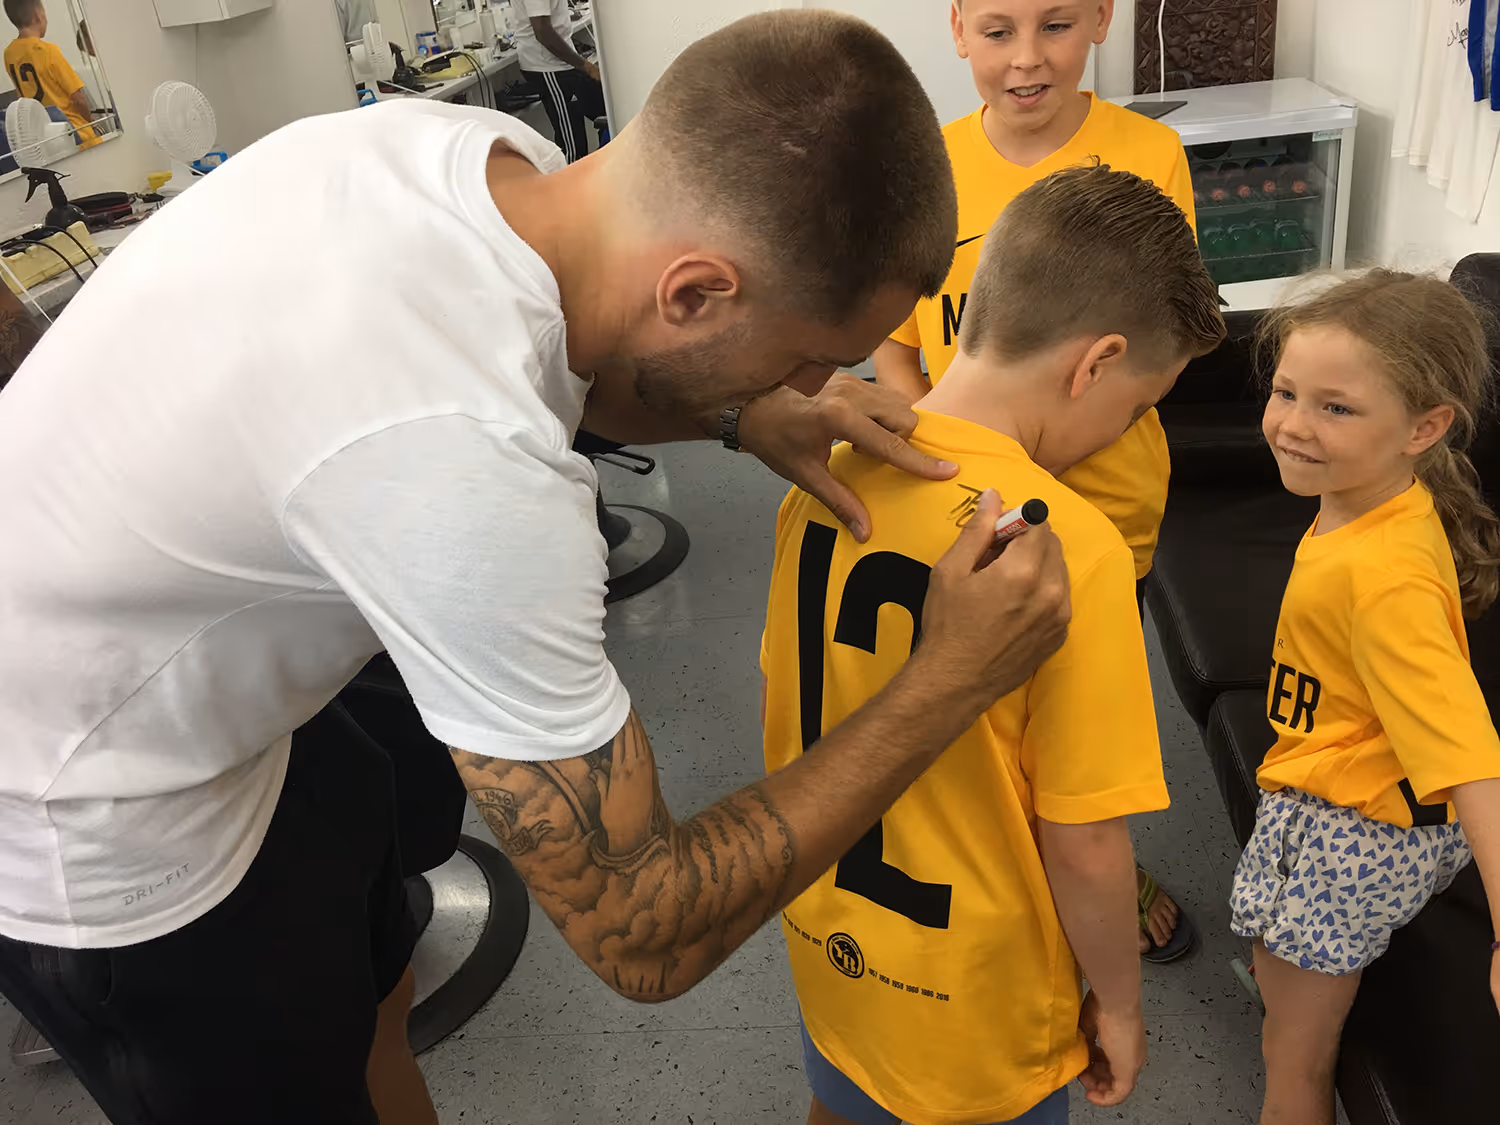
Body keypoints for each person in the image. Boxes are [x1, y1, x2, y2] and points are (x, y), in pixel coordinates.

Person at [0, 11, 1072, 1124]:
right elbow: (642, 932)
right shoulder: (460, 465)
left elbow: (585, 351)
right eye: (809, 357)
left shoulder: (479, 167)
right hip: (95, 817)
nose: (818, 384)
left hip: (244, 704)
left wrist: (747, 410)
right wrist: (950, 677)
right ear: (696, 292)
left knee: (372, 1009)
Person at [761, 165, 1225, 1125]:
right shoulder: (1068, 553)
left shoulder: (824, 471)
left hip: (830, 935)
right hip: (973, 995)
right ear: (1095, 363)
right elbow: (1087, 842)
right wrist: (1123, 998)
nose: (1124, 430)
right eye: (1138, 407)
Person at [875, 0, 1198, 961]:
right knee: (977, 719)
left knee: (1082, 738)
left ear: (1101, 19)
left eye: (1056, 25)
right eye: (999, 29)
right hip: (961, 511)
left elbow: (1161, 348)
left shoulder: (1150, 156)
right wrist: (963, 449)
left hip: (1110, 517)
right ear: (958, 27)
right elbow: (897, 353)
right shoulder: (924, 170)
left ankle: (1096, 869)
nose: (1027, 60)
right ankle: (1012, 874)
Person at [1229, 270, 1500, 1125]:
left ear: (1424, 427)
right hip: (1370, 795)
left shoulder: (1384, 583)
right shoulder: (1370, 497)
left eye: (1335, 408)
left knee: (1293, 1054)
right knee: (1287, 980)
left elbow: (1468, 753)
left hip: (1350, 823)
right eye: (1285, 391)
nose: (1292, 424)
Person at [514, 0, 604, 163]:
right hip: (548, 67)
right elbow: (542, 32)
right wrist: (586, 66)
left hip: (564, 63)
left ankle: (601, 172)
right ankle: (572, 184)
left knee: (607, 115)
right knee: (572, 143)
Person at [2, 0, 97, 148]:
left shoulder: (9, 55)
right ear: (37, 16)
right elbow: (78, 99)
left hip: (46, 138)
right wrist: (91, 120)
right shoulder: (48, 51)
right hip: (75, 132)